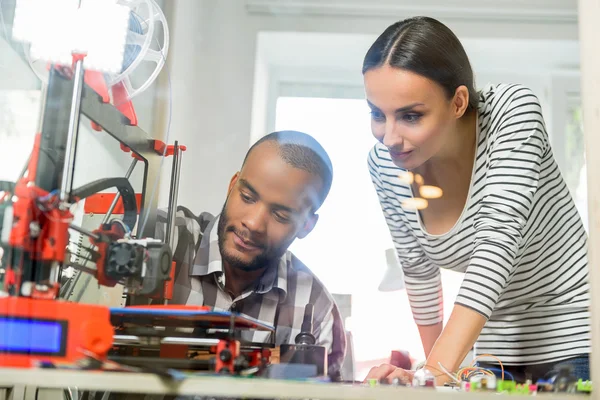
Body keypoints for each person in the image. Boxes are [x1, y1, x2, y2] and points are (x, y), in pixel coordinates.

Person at [363, 16, 590, 384]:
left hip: (573, 336)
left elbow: (496, 245)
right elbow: (419, 273)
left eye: (410, 116)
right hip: (495, 349)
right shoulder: (386, 167)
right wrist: (434, 378)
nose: (388, 137)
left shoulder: (512, 114)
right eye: (377, 114)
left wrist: (435, 371)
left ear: (458, 103)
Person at [157, 130, 346, 379]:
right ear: (232, 185)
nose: (254, 224)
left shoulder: (317, 309)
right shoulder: (161, 238)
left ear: (307, 226)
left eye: (281, 215)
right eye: (247, 197)